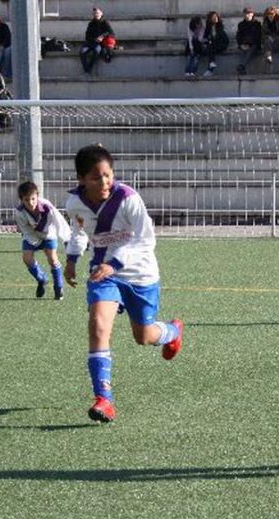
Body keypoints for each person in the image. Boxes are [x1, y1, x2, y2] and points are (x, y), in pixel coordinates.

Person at [62, 144, 184, 423]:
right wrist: (71, 259)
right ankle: (104, 400)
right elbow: (80, 232)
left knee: (144, 337)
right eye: (96, 177)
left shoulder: (128, 198)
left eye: (108, 175)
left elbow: (146, 240)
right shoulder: (74, 203)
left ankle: (171, 332)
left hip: (140, 274)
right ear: (81, 179)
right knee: (98, 326)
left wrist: (114, 263)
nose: (104, 182)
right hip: (104, 276)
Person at [15, 181, 70, 300]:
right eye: (26, 200)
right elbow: (26, 230)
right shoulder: (19, 212)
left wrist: (66, 239)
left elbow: (59, 222)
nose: (30, 203)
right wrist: (36, 242)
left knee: (52, 258)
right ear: (21, 200)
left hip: (48, 235)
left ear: (37, 196)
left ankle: (58, 287)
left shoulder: (47, 206)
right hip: (31, 236)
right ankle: (42, 279)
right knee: (27, 258)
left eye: (33, 199)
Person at [79, 7, 115, 74]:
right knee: (82, 52)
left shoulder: (105, 22)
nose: (96, 15)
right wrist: (94, 39)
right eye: (94, 13)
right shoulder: (91, 24)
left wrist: (102, 36)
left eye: (97, 13)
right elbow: (87, 36)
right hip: (90, 42)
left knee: (96, 51)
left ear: (101, 13)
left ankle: (89, 68)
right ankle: (87, 69)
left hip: (99, 44)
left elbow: (111, 33)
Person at [236, 7, 263, 74]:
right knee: (242, 51)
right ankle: (242, 67)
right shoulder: (241, 24)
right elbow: (239, 36)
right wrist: (241, 44)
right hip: (243, 44)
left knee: (250, 51)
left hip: (254, 44)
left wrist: (249, 44)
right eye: (246, 13)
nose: (247, 15)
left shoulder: (257, 24)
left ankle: (242, 66)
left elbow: (258, 36)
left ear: (252, 14)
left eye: (249, 13)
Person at [202, 11, 230, 76]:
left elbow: (224, 40)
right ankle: (211, 66)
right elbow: (205, 37)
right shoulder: (208, 28)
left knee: (210, 48)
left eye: (216, 17)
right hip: (214, 46)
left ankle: (211, 67)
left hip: (222, 45)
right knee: (209, 47)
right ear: (210, 19)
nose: (215, 18)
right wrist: (206, 42)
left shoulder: (219, 27)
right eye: (213, 17)